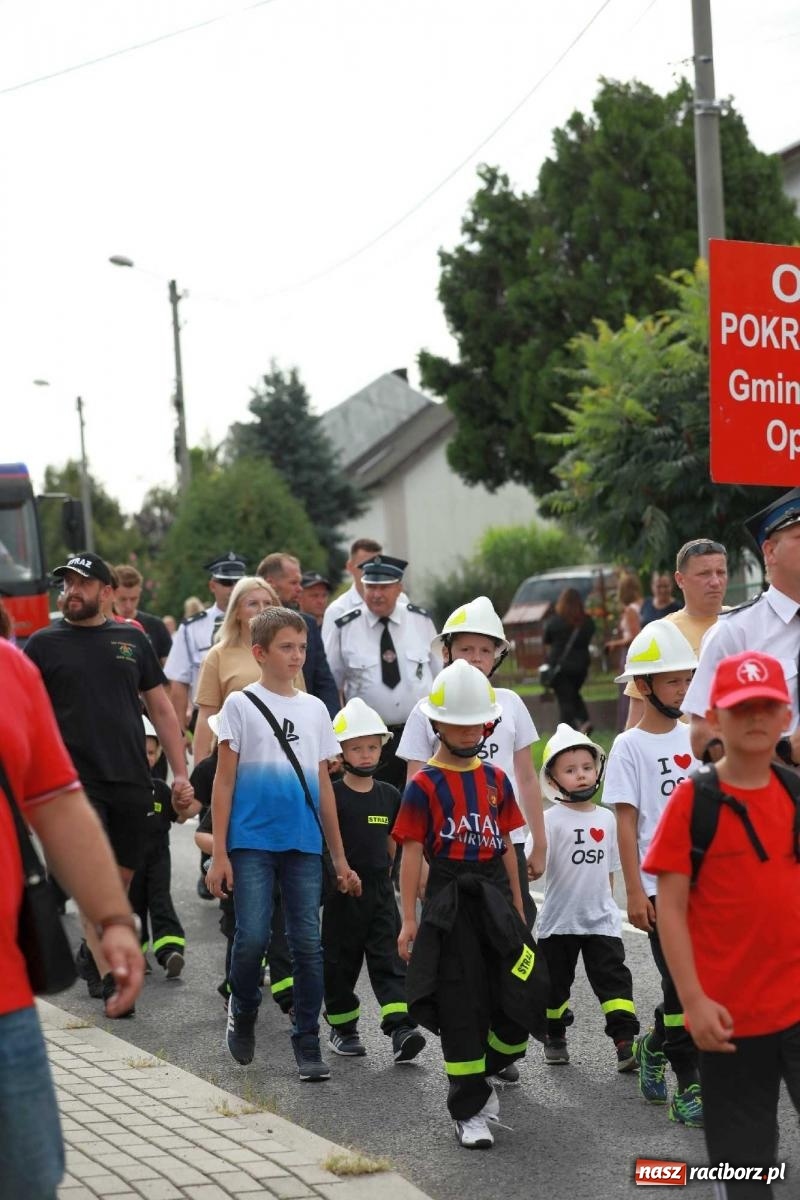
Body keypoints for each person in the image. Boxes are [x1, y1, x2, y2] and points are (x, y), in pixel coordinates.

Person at [644, 650, 800, 1199]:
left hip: (798, 1007)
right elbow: (673, 912)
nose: (755, 719)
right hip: (728, 1019)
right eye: (740, 708)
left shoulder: (795, 794)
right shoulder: (694, 803)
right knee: (746, 1163)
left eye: (767, 707)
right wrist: (693, 1001)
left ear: (786, 716)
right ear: (714, 717)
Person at [0, 637, 144, 1200]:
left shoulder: (11, 668)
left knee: (27, 1182)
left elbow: (57, 802)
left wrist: (112, 918)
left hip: (4, 1005)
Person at [24, 552, 193, 1017]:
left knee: (117, 885)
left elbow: (161, 709)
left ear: (105, 591)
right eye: (66, 585)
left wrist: (179, 772)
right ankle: (110, 979)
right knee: (89, 879)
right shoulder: (42, 644)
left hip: (132, 780)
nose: (71, 592)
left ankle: (91, 950)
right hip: (73, 786)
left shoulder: (130, 639)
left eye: (81, 584)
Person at [394, 660, 545, 1150]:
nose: (465, 731)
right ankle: (469, 1108)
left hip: (496, 899)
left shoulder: (497, 779)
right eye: (454, 722)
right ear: (436, 724)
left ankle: (491, 1066)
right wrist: (409, 921)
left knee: (519, 990)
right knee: (460, 1000)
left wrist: (519, 909)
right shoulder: (423, 785)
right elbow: (411, 854)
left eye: (474, 722)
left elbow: (505, 847)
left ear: (489, 724)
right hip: (448, 900)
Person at [206, 607, 361, 1081]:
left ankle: (307, 1039)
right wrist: (219, 852)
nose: (297, 656)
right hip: (251, 841)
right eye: (286, 647)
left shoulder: (316, 709)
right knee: (251, 936)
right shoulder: (239, 705)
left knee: (307, 945)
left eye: (301, 647)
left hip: (302, 842)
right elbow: (224, 782)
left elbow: (324, 786)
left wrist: (338, 856)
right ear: (260, 653)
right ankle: (245, 1007)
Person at [602, 619, 702, 1128]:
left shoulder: (697, 736)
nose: (682, 689)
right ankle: (691, 1090)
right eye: (671, 681)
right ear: (643, 686)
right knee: (682, 986)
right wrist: (634, 892)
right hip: (660, 887)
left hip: (707, 887)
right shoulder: (629, 747)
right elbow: (626, 823)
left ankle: (653, 1044)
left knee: (697, 986)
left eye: (687, 679)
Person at [396, 595, 546, 934]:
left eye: (485, 650)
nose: (476, 658)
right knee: (455, 929)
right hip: (448, 844)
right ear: (446, 652)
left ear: (497, 656)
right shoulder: (427, 709)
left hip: (507, 837)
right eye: (466, 649)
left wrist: (540, 842)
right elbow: (414, 785)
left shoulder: (511, 704)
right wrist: (418, 861)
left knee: (513, 924)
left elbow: (526, 777)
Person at [322, 697, 425, 1063]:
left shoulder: (389, 795)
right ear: (341, 751)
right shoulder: (331, 794)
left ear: (382, 747)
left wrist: (390, 880)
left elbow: (394, 845)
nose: (366, 755)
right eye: (356, 748)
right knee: (339, 963)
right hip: (342, 895)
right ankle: (342, 1028)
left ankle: (401, 1029)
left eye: (371, 747)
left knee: (390, 960)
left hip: (380, 894)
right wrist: (337, 877)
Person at [535, 724, 639, 1070]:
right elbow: (537, 865)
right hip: (559, 921)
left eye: (586, 767)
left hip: (601, 921)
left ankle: (625, 1042)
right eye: (570, 770)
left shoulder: (608, 819)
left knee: (614, 981)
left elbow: (609, 872)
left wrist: (606, 906)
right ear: (553, 779)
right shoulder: (548, 820)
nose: (581, 775)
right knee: (553, 986)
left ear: (598, 770)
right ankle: (555, 1034)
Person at [684, 488, 800, 763]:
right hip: (772, 797)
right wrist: (784, 751)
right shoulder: (735, 632)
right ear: (770, 551)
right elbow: (702, 737)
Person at [324, 554, 439, 791]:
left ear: (399, 588)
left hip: (419, 732)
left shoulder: (420, 620)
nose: (376, 594)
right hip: (367, 741)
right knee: (375, 811)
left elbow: (440, 677)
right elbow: (331, 684)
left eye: (384, 587)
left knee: (422, 802)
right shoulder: (346, 626)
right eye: (371, 587)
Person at [624, 538, 728, 730]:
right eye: (704, 574)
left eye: (720, 572)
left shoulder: (747, 622)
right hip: (682, 755)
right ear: (680, 580)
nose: (715, 581)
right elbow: (636, 720)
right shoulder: (658, 634)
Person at [130, 717, 200, 979]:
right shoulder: (120, 790)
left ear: (158, 753)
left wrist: (181, 801)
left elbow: (180, 817)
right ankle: (135, 954)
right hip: (129, 860)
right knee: (132, 905)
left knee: (160, 900)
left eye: (151, 752)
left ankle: (170, 950)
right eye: (141, 751)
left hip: (159, 857)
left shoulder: (160, 788)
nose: (146, 757)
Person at [192, 575, 279, 764]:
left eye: (268, 603)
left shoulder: (288, 652)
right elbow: (206, 716)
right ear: (236, 612)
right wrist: (199, 772)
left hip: (281, 757)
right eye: (253, 603)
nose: (262, 610)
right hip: (232, 760)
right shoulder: (218, 655)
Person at [163, 552, 248, 733]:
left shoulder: (261, 624)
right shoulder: (192, 627)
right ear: (212, 585)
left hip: (251, 715)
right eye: (226, 583)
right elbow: (178, 681)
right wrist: (180, 730)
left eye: (238, 583)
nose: (233, 589)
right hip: (207, 716)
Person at [257, 552, 339, 717]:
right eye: (293, 582)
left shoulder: (307, 625)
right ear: (270, 583)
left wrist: (329, 724)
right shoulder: (245, 627)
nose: (299, 589)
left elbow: (323, 682)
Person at [542, 587, 595, 734]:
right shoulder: (587, 622)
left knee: (565, 700)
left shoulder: (555, 621)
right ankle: (584, 722)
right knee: (573, 694)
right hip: (581, 667)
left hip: (560, 667)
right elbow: (589, 636)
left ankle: (566, 730)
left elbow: (546, 641)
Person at [321, 538, 390, 634]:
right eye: (365, 566)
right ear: (350, 567)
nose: (372, 571)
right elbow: (330, 649)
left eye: (377, 566)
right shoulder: (338, 611)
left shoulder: (400, 601)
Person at [113, 563, 173, 664]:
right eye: (123, 599)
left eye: (133, 599)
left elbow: (170, 669)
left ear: (140, 593)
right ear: (112, 594)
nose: (128, 605)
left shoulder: (156, 626)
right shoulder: (101, 624)